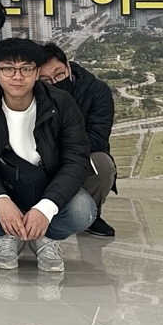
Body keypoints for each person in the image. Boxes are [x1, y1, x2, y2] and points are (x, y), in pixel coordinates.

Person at [0, 39, 97, 272]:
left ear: (37, 72)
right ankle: (8, 235)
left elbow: (76, 158)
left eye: (26, 69)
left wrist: (46, 207)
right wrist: (0, 199)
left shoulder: (62, 103)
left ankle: (46, 237)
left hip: (47, 182)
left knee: (83, 210)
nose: (17, 77)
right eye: (8, 69)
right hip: (3, 182)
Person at [37, 43, 118, 237]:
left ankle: (91, 215)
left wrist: (61, 150)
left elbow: (97, 138)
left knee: (102, 164)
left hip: (81, 153)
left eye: (59, 75)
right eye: (46, 80)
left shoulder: (97, 90)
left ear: (68, 66)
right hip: (41, 156)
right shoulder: (31, 93)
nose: (54, 82)